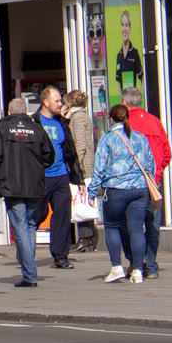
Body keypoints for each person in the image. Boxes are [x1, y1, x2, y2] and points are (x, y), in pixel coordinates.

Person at [88, 105, 154, 284]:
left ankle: (117, 267)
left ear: (111, 119)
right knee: (136, 229)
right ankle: (139, 270)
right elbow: (150, 165)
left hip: (116, 189)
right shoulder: (140, 138)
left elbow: (99, 168)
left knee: (112, 226)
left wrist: (92, 191)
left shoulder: (107, 139)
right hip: (139, 190)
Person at [0, 98, 50, 288]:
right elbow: (49, 155)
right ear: (26, 112)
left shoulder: (1, 129)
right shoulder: (37, 128)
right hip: (34, 184)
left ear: (9, 111)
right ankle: (28, 268)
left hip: (13, 185)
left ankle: (30, 274)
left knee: (21, 228)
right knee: (30, 226)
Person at [30, 85, 85, 270]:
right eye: (57, 101)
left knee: (62, 215)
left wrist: (79, 179)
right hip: (41, 177)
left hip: (61, 175)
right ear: (46, 102)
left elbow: (70, 152)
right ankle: (26, 249)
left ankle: (60, 256)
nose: (60, 104)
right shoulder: (34, 122)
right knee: (37, 214)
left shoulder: (61, 123)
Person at [122, 87, 171, 279]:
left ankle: (135, 263)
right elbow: (167, 153)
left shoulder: (125, 124)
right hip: (152, 182)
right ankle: (150, 265)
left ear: (125, 103)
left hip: (131, 182)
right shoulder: (155, 122)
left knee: (129, 225)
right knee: (152, 225)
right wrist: (157, 172)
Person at [65, 90, 98, 252]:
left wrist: (76, 166)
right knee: (83, 202)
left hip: (82, 167)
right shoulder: (82, 116)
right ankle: (87, 238)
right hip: (85, 166)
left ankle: (85, 239)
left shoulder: (77, 118)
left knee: (81, 202)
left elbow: (80, 144)